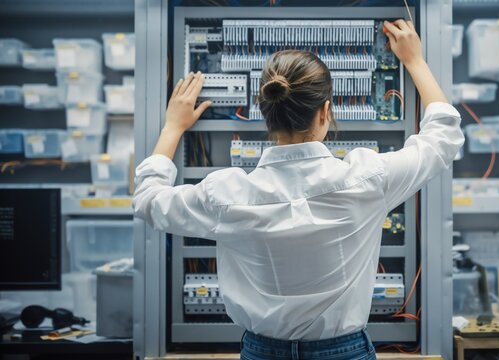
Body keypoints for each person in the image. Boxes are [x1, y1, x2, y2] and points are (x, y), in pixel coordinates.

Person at [134, 19, 464, 360]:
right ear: (325, 113)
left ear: (265, 113)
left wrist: (173, 127)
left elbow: (147, 201)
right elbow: (443, 138)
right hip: (344, 352)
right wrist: (414, 61)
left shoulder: (225, 194)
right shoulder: (367, 178)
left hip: (262, 352)